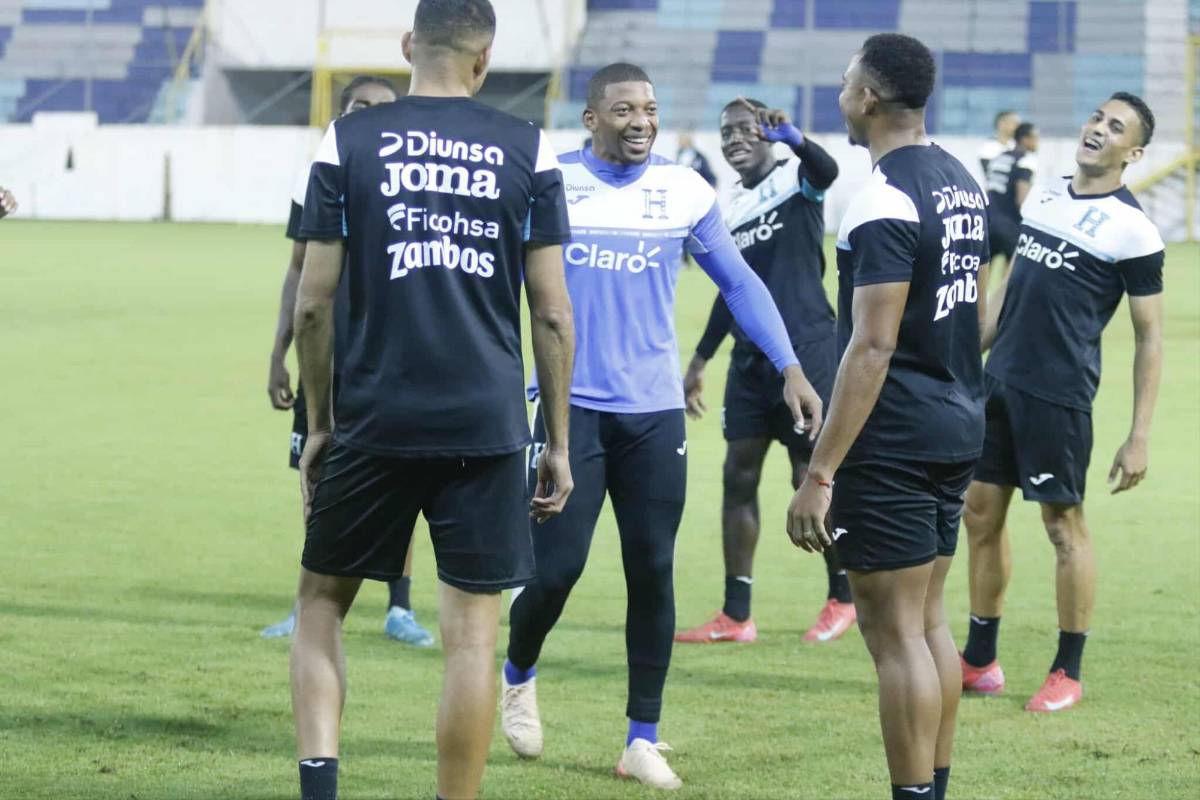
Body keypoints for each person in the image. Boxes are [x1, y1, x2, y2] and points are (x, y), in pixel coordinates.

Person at [500, 62, 824, 791]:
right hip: (569, 408)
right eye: (622, 109)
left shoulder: (683, 189)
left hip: (651, 412)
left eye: (648, 107)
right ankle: (517, 674)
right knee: (556, 573)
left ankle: (640, 738)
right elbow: (504, 282)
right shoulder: (551, 179)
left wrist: (790, 366)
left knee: (652, 569)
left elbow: (739, 281)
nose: (640, 120)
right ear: (592, 120)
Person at [289, 2, 576, 799]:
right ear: (485, 59)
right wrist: (555, 439)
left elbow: (313, 304)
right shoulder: (528, 146)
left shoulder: (349, 138)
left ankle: (320, 789)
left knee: (319, 607)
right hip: (485, 423)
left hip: (374, 417)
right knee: (471, 640)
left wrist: (319, 424)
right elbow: (551, 310)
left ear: (410, 45)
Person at [787, 34, 988, 800]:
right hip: (955, 423)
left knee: (895, 633)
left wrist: (821, 472)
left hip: (895, 439)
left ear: (868, 97)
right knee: (929, 622)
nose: (840, 95)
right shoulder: (957, 180)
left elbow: (871, 346)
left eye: (845, 84)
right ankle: (932, 788)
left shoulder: (883, 198)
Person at [961, 93, 1164, 714]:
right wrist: (967, 361)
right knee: (979, 514)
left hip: (1059, 396)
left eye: (1116, 127)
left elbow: (1150, 336)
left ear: (1134, 153)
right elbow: (1007, 291)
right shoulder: (1045, 194)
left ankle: (1067, 670)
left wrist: (1139, 435)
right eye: (1097, 118)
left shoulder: (1135, 230)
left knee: (1061, 526)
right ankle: (980, 659)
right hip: (999, 385)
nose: (1098, 129)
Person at [261, 76, 436, 648]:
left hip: (387, 351)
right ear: (340, 114)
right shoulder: (316, 173)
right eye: (360, 106)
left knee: (402, 475)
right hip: (325, 354)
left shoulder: (415, 176)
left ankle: (400, 607)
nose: (369, 115)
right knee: (315, 474)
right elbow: (298, 269)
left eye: (382, 108)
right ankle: (306, 602)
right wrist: (279, 351)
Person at [674, 97, 853, 645]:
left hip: (807, 353)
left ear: (766, 133)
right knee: (738, 476)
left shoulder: (797, 180)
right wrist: (702, 359)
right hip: (750, 363)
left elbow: (828, 169)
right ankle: (736, 613)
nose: (733, 140)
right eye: (725, 132)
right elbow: (731, 294)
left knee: (810, 474)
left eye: (745, 129)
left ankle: (843, 598)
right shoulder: (727, 208)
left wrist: (793, 139)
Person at [984, 121, 1039, 269]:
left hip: (988, 222)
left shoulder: (999, 157)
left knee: (982, 272)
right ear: (1024, 139)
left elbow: (988, 189)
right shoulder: (1026, 160)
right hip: (1010, 225)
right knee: (1011, 276)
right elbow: (1022, 199)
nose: (1037, 142)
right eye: (1035, 138)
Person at [978, 109, 1019, 175]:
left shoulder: (1016, 145)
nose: (1018, 127)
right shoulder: (988, 147)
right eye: (1014, 123)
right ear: (1001, 124)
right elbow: (989, 174)